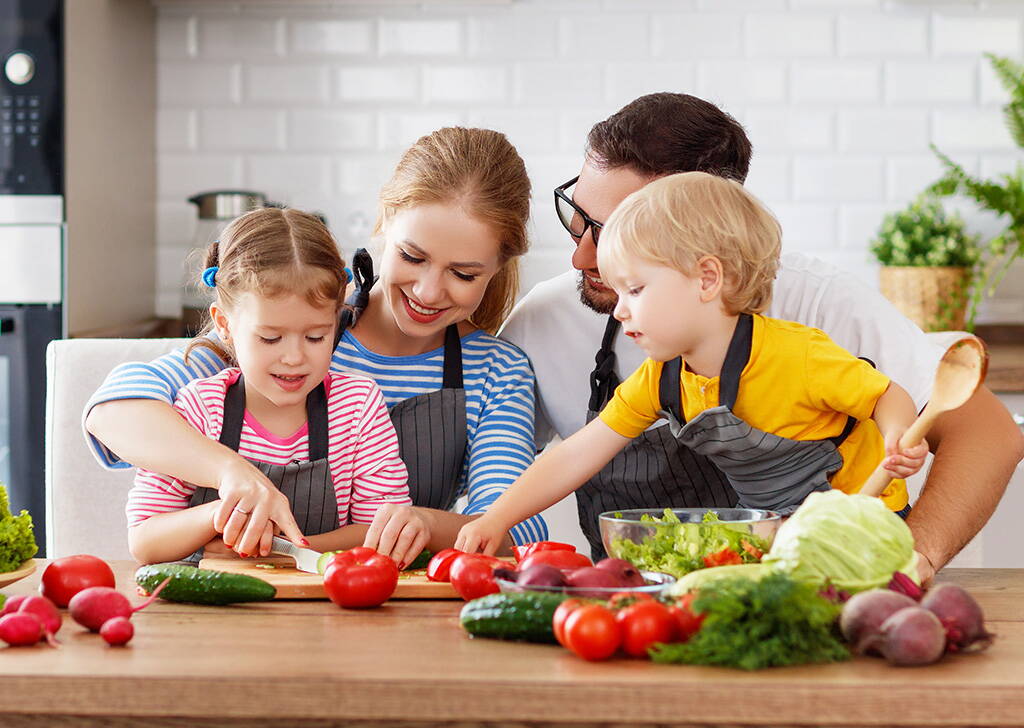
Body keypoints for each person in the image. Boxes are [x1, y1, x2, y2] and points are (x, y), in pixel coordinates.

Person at [498, 93, 1024, 582]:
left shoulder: (814, 307)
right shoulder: (548, 318)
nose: (581, 258)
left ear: (709, 258)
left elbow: (988, 434)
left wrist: (911, 560)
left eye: (616, 235)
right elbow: (504, 471)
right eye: (578, 217)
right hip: (647, 610)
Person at [85, 127, 546, 567]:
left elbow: (513, 531)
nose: (427, 291)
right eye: (412, 256)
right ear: (382, 223)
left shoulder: (495, 370)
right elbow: (113, 412)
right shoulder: (298, 324)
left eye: (464, 274)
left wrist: (419, 522)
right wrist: (234, 474)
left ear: (498, 266)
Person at [457, 173, 929, 554]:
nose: (620, 310)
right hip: (780, 532)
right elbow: (578, 453)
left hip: (864, 523)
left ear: (707, 279)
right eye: (619, 293)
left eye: (636, 290)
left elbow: (886, 394)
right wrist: (497, 518)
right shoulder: (661, 376)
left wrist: (896, 436)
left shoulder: (798, 355)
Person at [127, 208, 412, 563]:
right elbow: (145, 541)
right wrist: (216, 516)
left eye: (315, 336)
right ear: (225, 325)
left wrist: (270, 551)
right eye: (270, 338)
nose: (294, 357)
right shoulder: (201, 408)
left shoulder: (356, 408)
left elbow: (381, 530)